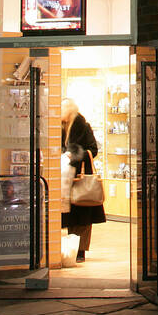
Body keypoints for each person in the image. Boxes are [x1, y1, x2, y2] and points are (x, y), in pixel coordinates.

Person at [60, 98, 104, 262]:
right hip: (66, 177)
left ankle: (81, 250)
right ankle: (71, 247)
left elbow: (93, 149)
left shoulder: (82, 126)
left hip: (81, 177)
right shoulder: (61, 127)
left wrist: (75, 154)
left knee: (83, 212)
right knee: (70, 214)